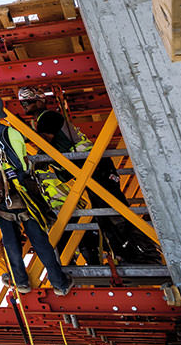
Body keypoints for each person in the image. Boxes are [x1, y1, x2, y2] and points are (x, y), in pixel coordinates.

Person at [20, 86, 161, 265]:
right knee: (105, 216)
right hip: (91, 170)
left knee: (115, 212)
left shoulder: (48, 117)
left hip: (96, 167)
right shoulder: (41, 121)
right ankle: (125, 256)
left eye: (28, 101)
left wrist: (19, 135)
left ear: (40, 101)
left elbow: (44, 142)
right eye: (22, 102)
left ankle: (144, 255)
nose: (24, 105)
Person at [0, 89, 73, 295]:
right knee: (39, 238)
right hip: (23, 190)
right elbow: (22, 160)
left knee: (10, 240)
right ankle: (60, 283)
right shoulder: (13, 132)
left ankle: (21, 282)